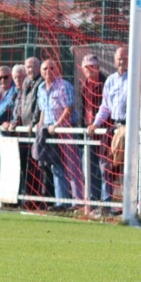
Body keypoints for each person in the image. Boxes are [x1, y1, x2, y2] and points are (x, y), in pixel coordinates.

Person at [35, 59, 82, 210]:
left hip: (65, 131)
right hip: (50, 133)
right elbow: (43, 109)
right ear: (41, 72)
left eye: (51, 67)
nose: (48, 71)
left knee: (72, 166)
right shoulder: (41, 88)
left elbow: (69, 108)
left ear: (57, 69)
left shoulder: (64, 86)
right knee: (56, 167)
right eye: (45, 68)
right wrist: (41, 124)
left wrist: (57, 124)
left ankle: (78, 202)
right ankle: (61, 202)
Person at [88, 47, 128, 213]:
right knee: (108, 167)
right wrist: (96, 124)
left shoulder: (135, 79)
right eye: (119, 58)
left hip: (130, 128)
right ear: (114, 60)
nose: (122, 60)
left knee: (128, 169)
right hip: (114, 126)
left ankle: (130, 207)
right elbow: (105, 106)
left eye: (125, 57)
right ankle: (106, 204)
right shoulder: (110, 80)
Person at [3, 57, 47, 208]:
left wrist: (33, 123)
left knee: (36, 167)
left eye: (33, 66)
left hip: (34, 131)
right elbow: (21, 105)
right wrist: (16, 121)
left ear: (39, 67)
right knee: (25, 167)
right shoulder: (26, 82)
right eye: (28, 66)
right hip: (23, 132)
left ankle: (37, 200)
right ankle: (27, 198)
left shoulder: (41, 82)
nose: (30, 69)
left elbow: (38, 106)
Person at [79, 53, 107, 203]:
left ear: (98, 67)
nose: (90, 69)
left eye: (92, 66)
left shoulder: (106, 83)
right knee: (89, 167)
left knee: (104, 168)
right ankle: (92, 199)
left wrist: (101, 125)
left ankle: (106, 201)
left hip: (104, 131)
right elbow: (82, 108)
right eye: (86, 67)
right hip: (89, 131)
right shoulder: (83, 85)